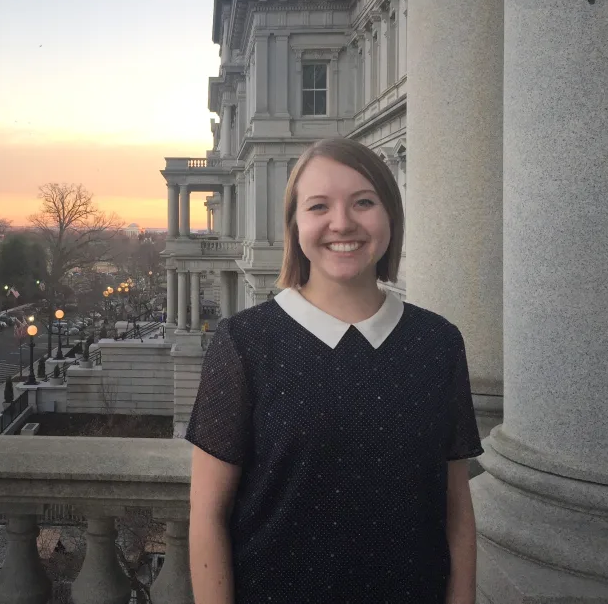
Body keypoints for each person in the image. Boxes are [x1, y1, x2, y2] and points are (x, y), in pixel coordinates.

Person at [186, 137, 482, 604]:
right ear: (295, 225)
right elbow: (207, 515)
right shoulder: (245, 343)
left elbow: (456, 509)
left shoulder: (438, 343)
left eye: (363, 202)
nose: (342, 223)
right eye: (318, 206)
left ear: (389, 216)